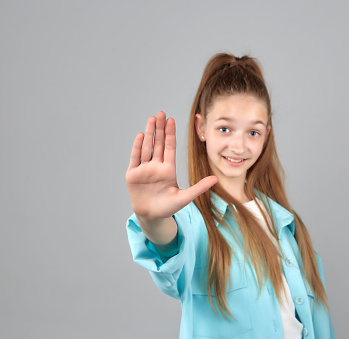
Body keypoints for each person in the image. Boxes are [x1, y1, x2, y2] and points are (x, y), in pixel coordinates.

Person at [125, 53, 335, 338]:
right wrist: (152, 220)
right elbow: (169, 249)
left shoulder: (288, 225)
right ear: (201, 128)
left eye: (253, 132)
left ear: (266, 135)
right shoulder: (193, 220)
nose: (239, 146)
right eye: (225, 128)